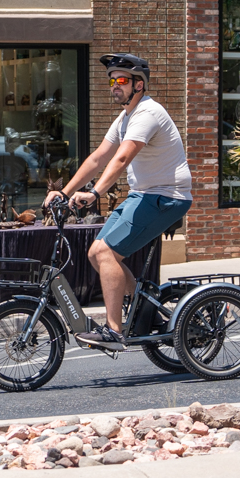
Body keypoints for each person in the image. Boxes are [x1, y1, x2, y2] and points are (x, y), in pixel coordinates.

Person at [43, 54, 192, 349]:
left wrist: (94, 193)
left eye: (121, 80)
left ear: (139, 85)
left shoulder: (147, 113)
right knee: (95, 253)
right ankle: (144, 307)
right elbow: (98, 157)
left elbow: (122, 158)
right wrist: (64, 192)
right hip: (145, 194)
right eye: (112, 80)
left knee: (105, 252)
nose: (115, 85)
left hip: (166, 196)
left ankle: (114, 331)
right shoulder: (125, 118)